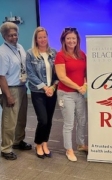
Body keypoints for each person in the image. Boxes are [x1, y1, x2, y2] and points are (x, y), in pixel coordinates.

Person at [55, 27, 88, 162]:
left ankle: (80, 144)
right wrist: (78, 87)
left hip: (79, 94)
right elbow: (62, 77)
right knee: (69, 123)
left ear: (77, 40)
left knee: (82, 121)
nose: (71, 41)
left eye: (73, 38)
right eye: (68, 38)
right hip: (66, 94)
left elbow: (85, 74)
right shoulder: (60, 55)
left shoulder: (82, 54)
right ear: (64, 40)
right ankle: (69, 149)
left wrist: (84, 85)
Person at [0, 22, 32, 160]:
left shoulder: (19, 47)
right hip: (10, 89)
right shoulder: (2, 52)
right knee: (9, 121)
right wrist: (8, 96)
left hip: (22, 87)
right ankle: (6, 148)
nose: (14, 37)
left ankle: (18, 141)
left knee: (21, 118)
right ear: (4, 36)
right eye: (10, 35)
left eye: (15, 34)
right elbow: (1, 77)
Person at [26, 27, 57, 159]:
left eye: (45, 37)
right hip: (38, 91)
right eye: (40, 37)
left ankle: (45, 143)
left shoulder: (54, 53)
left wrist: (53, 88)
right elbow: (30, 74)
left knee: (49, 120)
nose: (43, 39)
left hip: (52, 91)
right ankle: (38, 143)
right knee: (43, 119)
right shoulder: (30, 54)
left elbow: (58, 73)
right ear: (36, 39)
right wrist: (45, 88)